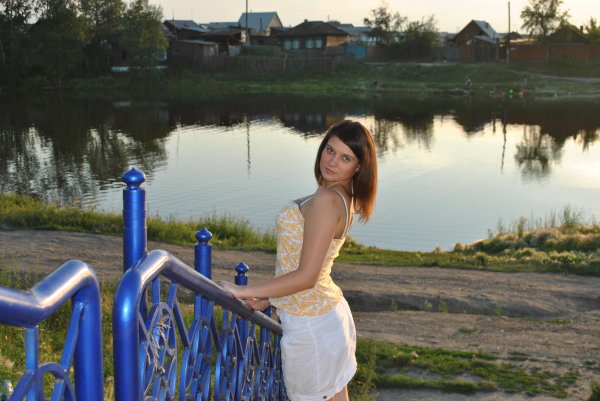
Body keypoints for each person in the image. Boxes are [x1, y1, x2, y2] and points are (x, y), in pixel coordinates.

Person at [221, 119, 378, 401]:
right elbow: (300, 263)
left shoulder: (328, 200)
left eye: (345, 158)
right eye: (330, 150)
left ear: (358, 167)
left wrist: (243, 291)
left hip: (312, 328)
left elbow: (306, 276)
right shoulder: (340, 196)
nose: (332, 161)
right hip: (325, 317)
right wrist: (267, 299)